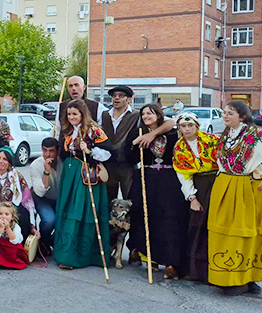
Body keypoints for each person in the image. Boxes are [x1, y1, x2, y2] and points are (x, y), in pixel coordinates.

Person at [125, 104, 187, 280]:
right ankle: (146, 255)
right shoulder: (137, 133)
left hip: (168, 179)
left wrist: (153, 134)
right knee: (145, 216)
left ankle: (170, 262)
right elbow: (130, 157)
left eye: (150, 113)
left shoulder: (171, 133)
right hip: (146, 178)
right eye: (143, 114)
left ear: (158, 115)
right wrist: (134, 145)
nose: (146, 116)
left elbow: (173, 122)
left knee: (168, 219)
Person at [207, 100, 262, 296]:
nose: (226, 116)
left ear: (243, 116)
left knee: (244, 232)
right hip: (224, 185)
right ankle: (226, 277)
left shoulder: (255, 135)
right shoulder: (225, 135)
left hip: (245, 185)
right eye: (224, 113)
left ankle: (246, 278)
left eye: (230, 113)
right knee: (222, 231)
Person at [54, 100, 113, 270]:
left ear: (82, 114)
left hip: (85, 174)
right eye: (69, 114)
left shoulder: (93, 130)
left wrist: (90, 151)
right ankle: (64, 251)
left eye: (75, 114)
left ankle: (79, 255)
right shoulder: (69, 131)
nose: (71, 117)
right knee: (67, 209)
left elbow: (109, 151)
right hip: (70, 173)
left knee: (80, 211)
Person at [101, 85, 175, 204]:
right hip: (108, 164)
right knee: (107, 200)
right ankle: (110, 223)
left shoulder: (138, 115)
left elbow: (171, 122)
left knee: (131, 199)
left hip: (127, 165)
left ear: (129, 99)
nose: (116, 98)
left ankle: (131, 223)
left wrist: (151, 134)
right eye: (114, 96)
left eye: (121, 95)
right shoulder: (104, 114)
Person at [172, 112, 219, 282]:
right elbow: (184, 176)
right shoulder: (180, 148)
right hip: (198, 187)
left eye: (190, 126)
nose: (187, 129)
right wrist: (192, 198)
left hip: (218, 182)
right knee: (197, 226)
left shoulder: (212, 140)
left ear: (197, 126)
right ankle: (197, 270)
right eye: (183, 126)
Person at [0, 147, 38, 237]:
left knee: (24, 218)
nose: (1, 161)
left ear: (9, 163)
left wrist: (32, 225)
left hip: (12, 207)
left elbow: (27, 200)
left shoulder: (17, 177)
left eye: (5, 159)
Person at [26, 138, 62, 254]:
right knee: (49, 220)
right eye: (45, 150)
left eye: (51, 151)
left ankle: (53, 240)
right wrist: (47, 172)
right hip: (42, 198)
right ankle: (44, 242)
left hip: (60, 198)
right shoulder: (35, 166)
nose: (48, 154)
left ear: (58, 151)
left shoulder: (64, 162)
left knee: (67, 219)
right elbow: (40, 192)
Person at [0, 202, 28, 269]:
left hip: (9, 246)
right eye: (1, 214)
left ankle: (10, 261)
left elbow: (16, 240)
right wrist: (0, 229)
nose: (3, 216)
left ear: (12, 217)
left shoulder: (15, 226)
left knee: (15, 250)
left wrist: (8, 228)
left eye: (6, 214)